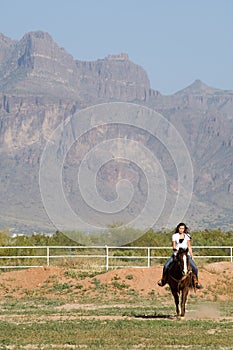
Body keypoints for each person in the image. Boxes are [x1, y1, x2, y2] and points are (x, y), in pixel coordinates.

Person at [157, 222, 201, 289]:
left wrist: (192, 256)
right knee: (166, 266)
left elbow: (189, 246)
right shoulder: (174, 236)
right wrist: (176, 250)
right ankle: (163, 280)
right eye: (180, 228)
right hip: (177, 254)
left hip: (186, 255)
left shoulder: (187, 236)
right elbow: (174, 246)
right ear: (178, 228)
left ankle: (196, 281)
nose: (181, 230)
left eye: (183, 228)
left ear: (184, 229)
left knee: (195, 268)